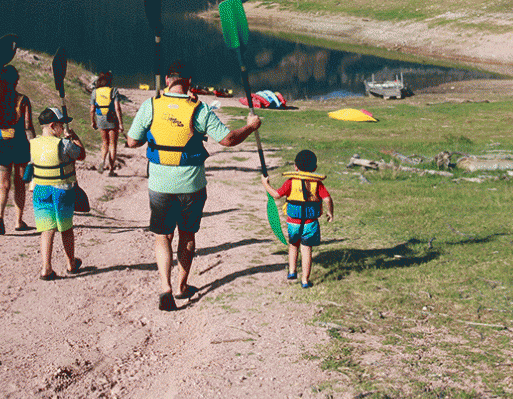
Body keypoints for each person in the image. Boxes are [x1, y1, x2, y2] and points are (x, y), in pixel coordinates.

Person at [125, 60, 261, 311]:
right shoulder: (200, 109)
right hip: (191, 185)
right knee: (187, 235)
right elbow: (228, 140)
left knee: (162, 236)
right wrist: (251, 127)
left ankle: (164, 287)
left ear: (167, 80)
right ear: (189, 82)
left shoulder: (150, 106)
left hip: (160, 184)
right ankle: (181, 287)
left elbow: (132, 142)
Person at [29, 107, 86, 280]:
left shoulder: (33, 143)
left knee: (47, 229)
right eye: (62, 125)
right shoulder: (64, 144)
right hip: (62, 190)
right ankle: (71, 263)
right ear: (53, 126)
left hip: (40, 190)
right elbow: (81, 155)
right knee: (66, 228)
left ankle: (46, 268)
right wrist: (75, 137)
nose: (64, 128)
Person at [262, 149, 333, 288]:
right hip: (310, 223)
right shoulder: (317, 183)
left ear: (295, 166)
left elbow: (276, 195)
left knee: (293, 245)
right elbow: (328, 199)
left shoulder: (290, 182)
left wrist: (266, 184)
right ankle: (305, 280)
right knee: (306, 249)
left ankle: (292, 271)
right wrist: (330, 213)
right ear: (315, 168)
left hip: (293, 223)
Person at [0, 64, 34, 235]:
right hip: (19, 144)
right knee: (19, 185)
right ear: (16, 81)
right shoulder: (23, 100)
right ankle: (18, 221)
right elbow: (28, 127)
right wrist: (34, 147)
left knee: (2, 186)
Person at [91, 71, 122, 175]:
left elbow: (92, 109)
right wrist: (121, 124)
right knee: (113, 144)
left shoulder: (95, 92)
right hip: (112, 118)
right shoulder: (113, 91)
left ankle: (102, 161)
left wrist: (93, 121)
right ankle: (111, 170)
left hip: (100, 118)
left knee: (105, 142)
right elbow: (117, 108)